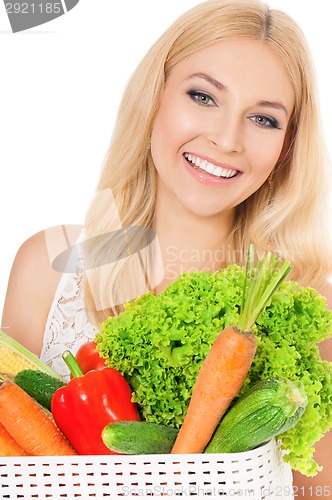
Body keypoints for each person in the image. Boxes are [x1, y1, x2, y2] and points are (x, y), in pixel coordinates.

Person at [1, 0, 332, 495]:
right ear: (154, 97)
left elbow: (316, 489)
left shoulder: (308, 304)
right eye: (203, 96)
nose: (226, 139)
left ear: (287, 148)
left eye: (263, 120)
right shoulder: (46, 270)